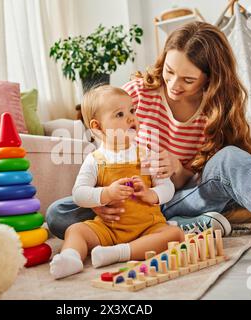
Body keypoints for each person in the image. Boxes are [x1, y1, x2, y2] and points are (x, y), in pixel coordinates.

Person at [47, 21, 251, 262]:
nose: (173, 85)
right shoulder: (135, 95)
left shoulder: (218, 108)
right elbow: (103, 155)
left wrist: (177, 170)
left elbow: (219, 181)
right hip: (126, 208)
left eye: (187, 79)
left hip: (179, 198)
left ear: (210, 79)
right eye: (169, 72)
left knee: (230, 157)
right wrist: (102, 197)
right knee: (58, 214)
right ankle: (193, 227)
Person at [49, 86, 184, 279]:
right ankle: (71, 258)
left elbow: (167, 187)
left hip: (148, 227)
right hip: (108, 229)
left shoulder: (146, 153)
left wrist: (151, 194)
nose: (131, 118)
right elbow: (79, 193)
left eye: (132, 110)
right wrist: (106, 194)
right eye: (119, 114)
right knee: (76, 230)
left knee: (175, 235)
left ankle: (116, 253)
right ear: (97, 127)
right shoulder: (95, 159)